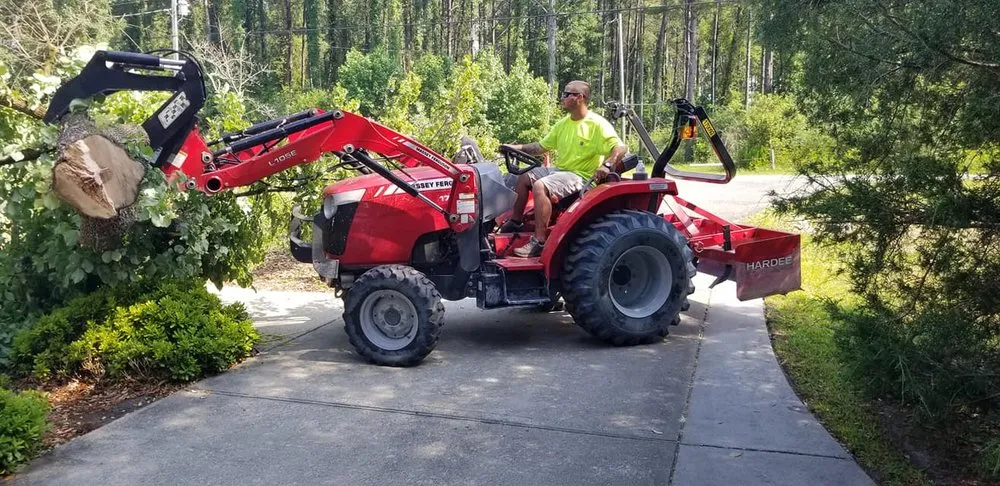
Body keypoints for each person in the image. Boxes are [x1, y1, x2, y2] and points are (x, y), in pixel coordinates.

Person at [499, 80, 627, 258]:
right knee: (524, 176)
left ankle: (539, 241)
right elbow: (540, 147)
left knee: (540, 186)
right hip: (561, 171)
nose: (562, 97)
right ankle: (516, 222)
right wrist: (515, 148)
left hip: (580, 177)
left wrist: (607, 164)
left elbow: (621, 148)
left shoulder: (597, 124)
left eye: (567, 94)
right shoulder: (562, 124)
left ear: (580, 98)